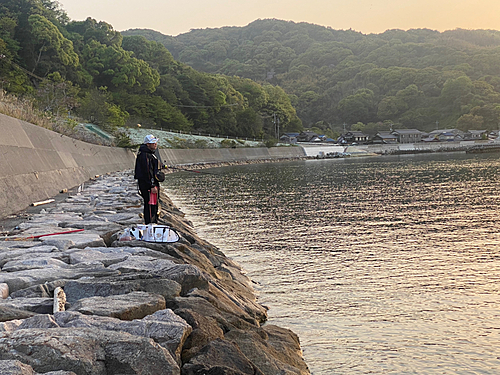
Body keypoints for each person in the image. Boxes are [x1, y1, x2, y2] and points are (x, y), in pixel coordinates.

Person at [134, 134, 162, 224]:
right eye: (153, 143)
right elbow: (147, 172)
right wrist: (152, 185)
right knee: (150, 204)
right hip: (148, 185)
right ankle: (150, 223)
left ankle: (153, 222)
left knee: (152, 204)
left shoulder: (148, 154)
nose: (155, 144)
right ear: (147, 144)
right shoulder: (145, 155)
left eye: (155, 142)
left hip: (149, 183)